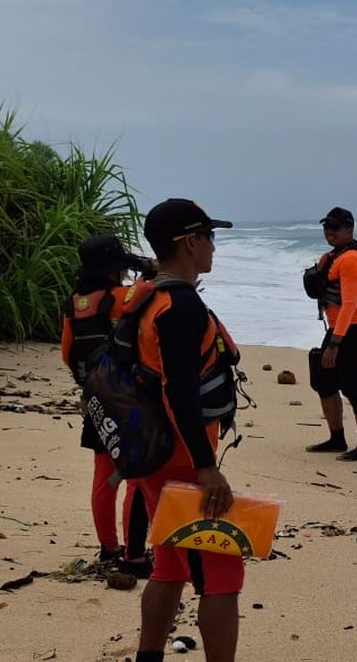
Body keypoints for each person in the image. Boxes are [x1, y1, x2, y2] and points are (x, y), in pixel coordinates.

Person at [133, 199, 242, 662]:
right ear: (190, 242)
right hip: (180, 460)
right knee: (221, 575)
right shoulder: (179, 307)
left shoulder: (147, 297)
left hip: (150, 451)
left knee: (169, 567)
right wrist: (205, 467)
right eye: (210, 237)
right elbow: (179, 392)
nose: (214, 247)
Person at [60, 234, 152, 578]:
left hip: (95, 398)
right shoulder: (119, 297)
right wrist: (149, 271)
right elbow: (147, 292)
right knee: (136, 479)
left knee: (104, 477)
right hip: (127, 399)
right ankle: (134, 552)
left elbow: (67, 354)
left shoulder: (74, 303)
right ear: (115, 270)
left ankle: (108, 545)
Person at [303, 206, 357, 461]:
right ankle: (337, 438)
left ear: (349, 229)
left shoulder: (351, 260)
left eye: (335, 227)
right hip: (340, 328)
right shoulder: (334, 256)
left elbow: (349, 304)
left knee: (355, 386)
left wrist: (335, 343)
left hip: (355, 328)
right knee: (324, 380)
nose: (329, 232)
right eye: (326, 227)